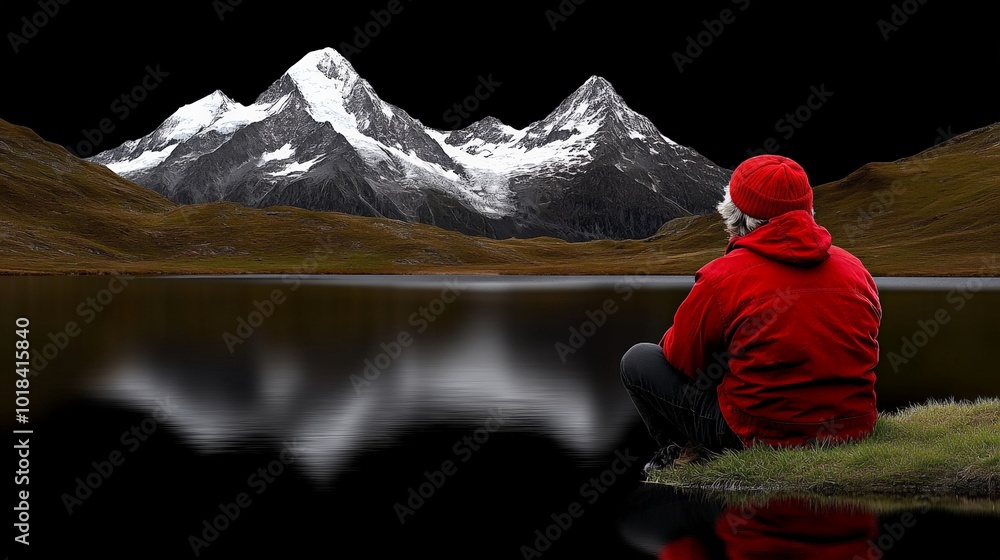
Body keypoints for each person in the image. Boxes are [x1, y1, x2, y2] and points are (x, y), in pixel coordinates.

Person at [620, 154, 881, 475]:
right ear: (808, 211)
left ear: (734, 212)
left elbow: (680, 359)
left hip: (760, 434)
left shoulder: (722, 277)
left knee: (639, 360)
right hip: (853, 428)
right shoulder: (855, 268)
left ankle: (685, 453)